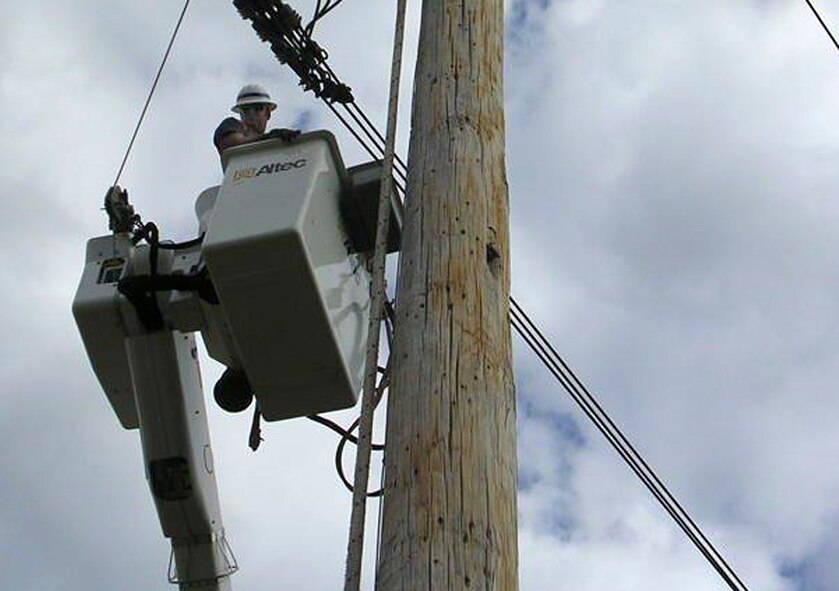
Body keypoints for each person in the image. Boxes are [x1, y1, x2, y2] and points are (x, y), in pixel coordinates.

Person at [213, 84, 299, 154]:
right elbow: (233, 145)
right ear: (240, 113)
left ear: (267, 114)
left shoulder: (272, 147)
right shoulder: (230, 124)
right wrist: (269, 137)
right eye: (246, 109)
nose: (251, 114)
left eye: (258, 108)